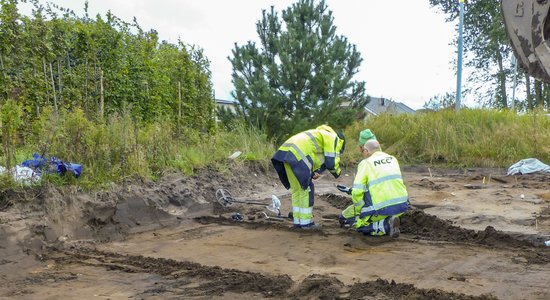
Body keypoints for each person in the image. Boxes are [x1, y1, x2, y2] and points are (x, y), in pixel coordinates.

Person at [271, 125, 346, 229]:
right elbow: (331, 162)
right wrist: (337, 173)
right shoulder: (333, 138)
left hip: (286, 153)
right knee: (306, 188)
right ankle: (306, 223)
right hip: (298, 154)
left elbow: (316, 158)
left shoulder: (320, 135)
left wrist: (315, 172)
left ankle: (298, 222)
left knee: (297, 190)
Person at [339, 138, 408, 237]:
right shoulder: (392, 159)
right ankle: (389, 220)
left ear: (366, 151)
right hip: (402, 205)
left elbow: (357, 191)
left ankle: (386, 225)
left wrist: (358, 211)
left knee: (348, 221)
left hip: (382, 207)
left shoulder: (366, 163)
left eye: (363, 151)